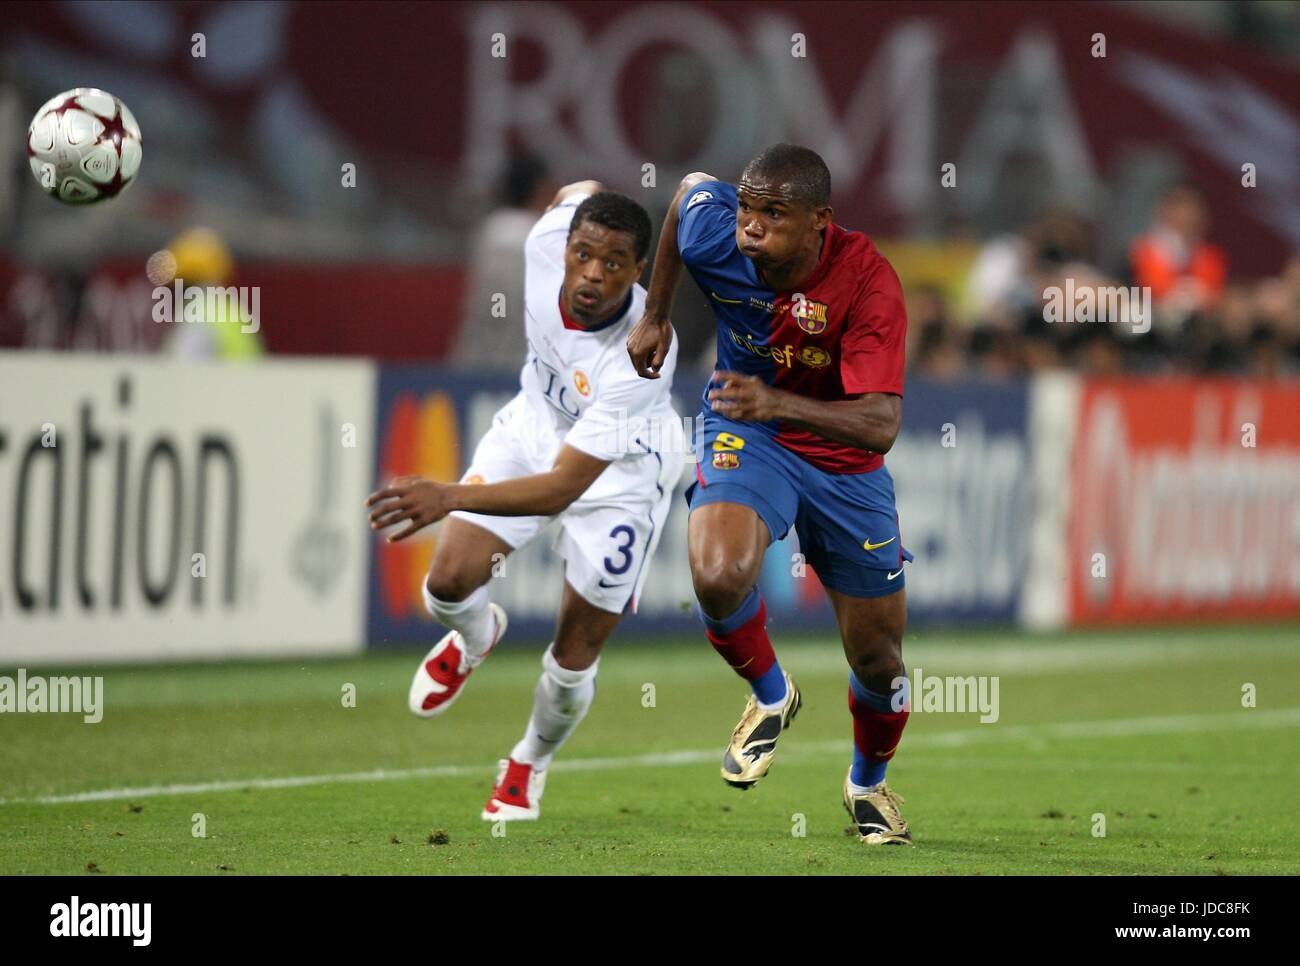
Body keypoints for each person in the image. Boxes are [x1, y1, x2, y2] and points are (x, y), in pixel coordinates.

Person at [627, 144, 914, 846]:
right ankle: (772, 694)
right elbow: (686, 193)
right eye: (747, 208)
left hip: (844, 462)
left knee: (880, 663)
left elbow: (881, 424)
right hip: (748, 428)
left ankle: (867, 784)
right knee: (718, 574)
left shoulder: (869, 281)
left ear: (819, 221)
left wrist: (778, 401)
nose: (749, 226)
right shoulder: (713, 227)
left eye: (772, 213)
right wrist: (656, 312)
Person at [368, 182, 682, 822]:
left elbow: (564, 487)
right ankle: (476, 636)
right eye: (584, 254)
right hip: (534, 424)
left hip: (620, 477)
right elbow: (580, 191)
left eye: (614, 263)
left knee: (572, 661)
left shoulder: (643, 356)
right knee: (447, 586)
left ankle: (527, 763)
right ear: (565, 244)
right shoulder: (542, 242)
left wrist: (448, 494)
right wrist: (585, 191)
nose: (593, 274)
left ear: (639, 270)